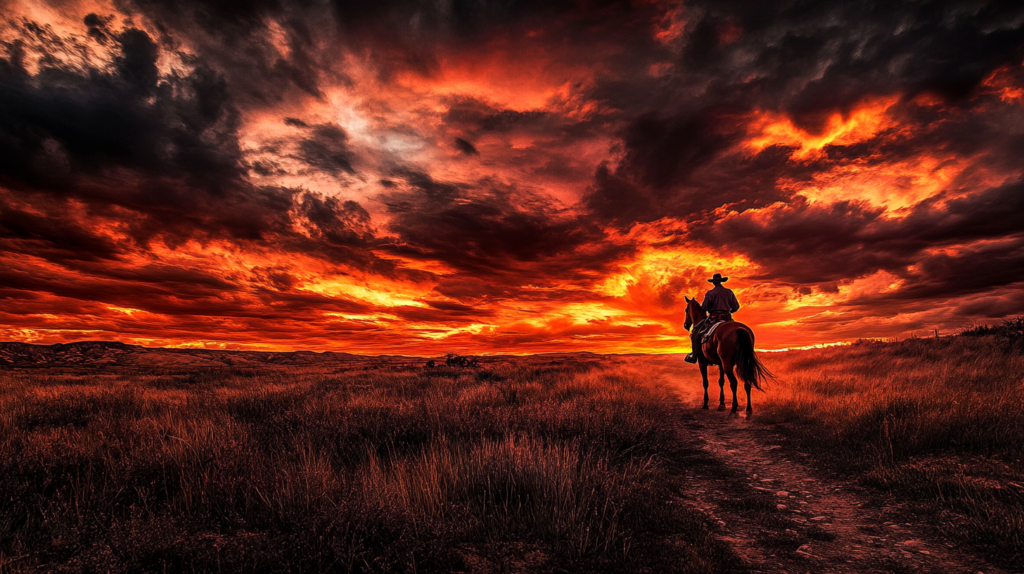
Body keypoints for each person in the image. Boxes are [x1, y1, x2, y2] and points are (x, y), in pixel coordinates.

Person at [685, 273, 741, 364]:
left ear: (713, 282)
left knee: (695, 333)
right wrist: (729, 311)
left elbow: (704, 308)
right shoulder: (729, 292)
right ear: (721, 281)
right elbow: (736, 307)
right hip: (727, 317)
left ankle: (694, 356)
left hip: (714, 318)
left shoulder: (710, 293)